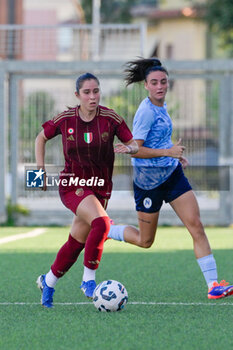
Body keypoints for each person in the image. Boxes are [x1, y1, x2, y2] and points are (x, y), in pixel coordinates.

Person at [109, 58, 233, 300]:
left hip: (172, 175)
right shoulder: (145, 112)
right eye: (154, 83)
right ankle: (108, 230)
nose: (159, 86)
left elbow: (161, 137)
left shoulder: (163, 107)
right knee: (146, 241)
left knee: (196, 225)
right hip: (148, 182)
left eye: (163, 82)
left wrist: (175, 158)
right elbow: (137, 149)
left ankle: (213, 286)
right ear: (146, 85)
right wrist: (168, 152)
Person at [35, 72, 138, 308]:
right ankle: (88, 281)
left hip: (101, 188)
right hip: (72, 184)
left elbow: (133, 144)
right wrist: (38, 175)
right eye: (87, 92)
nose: (93, 97)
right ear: (77, 95)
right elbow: (40, 138)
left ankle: (48, 282)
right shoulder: (66, 119)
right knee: (102, 224)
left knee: (76, 242)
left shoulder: (111, 118)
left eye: (96, 91)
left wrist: (130, 149)